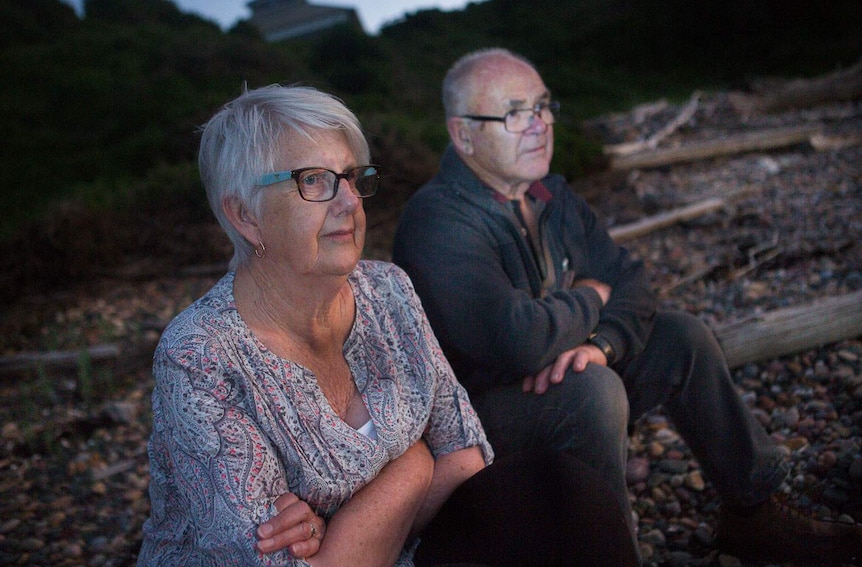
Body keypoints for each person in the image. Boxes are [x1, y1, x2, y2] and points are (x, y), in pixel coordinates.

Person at [391, 47, 862, 566]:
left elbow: (634, 280)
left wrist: (601, 344)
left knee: (682, 337)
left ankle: (754, 512)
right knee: (592, 393)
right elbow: (517, 341)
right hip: (476, 424)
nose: (540, 124)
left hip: (565, 372)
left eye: (543, 106)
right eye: (514, 113)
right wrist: (593, 295)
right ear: (463, 135)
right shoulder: (437, 221)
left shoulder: (551, 194)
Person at [137, 84, 639, 567]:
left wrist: (364, 510)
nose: (351, 202)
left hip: (401, 545)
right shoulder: (200, 355)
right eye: (314, 180)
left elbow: (466, 457)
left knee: (559, 488)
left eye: (352, 177)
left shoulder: (387, 290)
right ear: (245, 216)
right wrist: (418, 463)